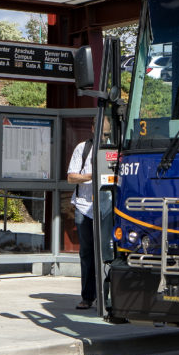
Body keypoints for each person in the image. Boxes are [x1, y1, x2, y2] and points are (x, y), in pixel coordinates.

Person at [67, 126, 101, 310]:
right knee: (87, 252)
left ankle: (107, 296)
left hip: (106, 206)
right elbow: (71, 178)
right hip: (84, 206)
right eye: (99, 127)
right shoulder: (83, 148)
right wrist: (91, 176)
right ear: (93, 128)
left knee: (107, 251)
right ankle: (87, 297)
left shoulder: (115, 148)